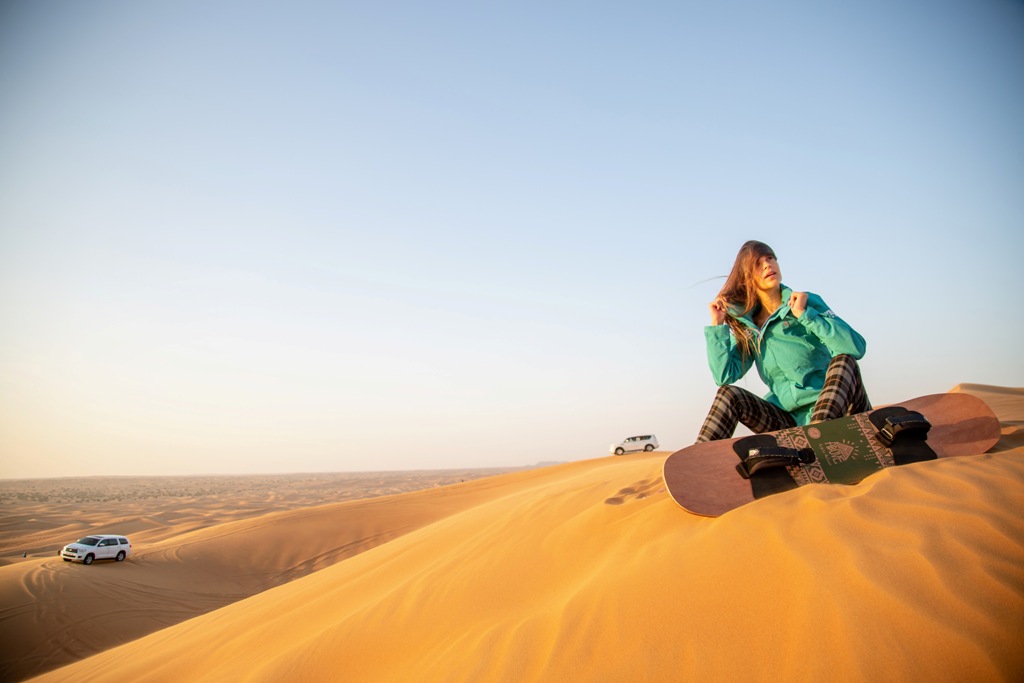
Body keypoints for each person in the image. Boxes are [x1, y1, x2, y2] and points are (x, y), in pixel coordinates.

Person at [697, 240, 870, 442]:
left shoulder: (805, 303)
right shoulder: (750, 329)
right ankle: (696, 460)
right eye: (757, 264)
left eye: (770, 258)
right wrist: (717, 326)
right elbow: (723, 376)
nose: (768, 265)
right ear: (747, 278)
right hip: (792, 425)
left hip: (840, 410)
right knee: (730, 395)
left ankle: (818, 439)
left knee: (843, 361)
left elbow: (855, 347)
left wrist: (806, 315)